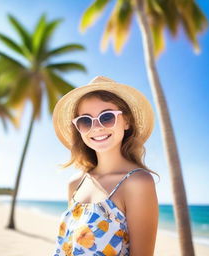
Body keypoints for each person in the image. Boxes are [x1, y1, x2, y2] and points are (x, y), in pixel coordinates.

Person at [52, 76, 160, 256]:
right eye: (85, 121)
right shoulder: (75, 183)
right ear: (79, 129)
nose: (97, 127)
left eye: (107, 117)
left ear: (126, 121)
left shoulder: (137, 183)